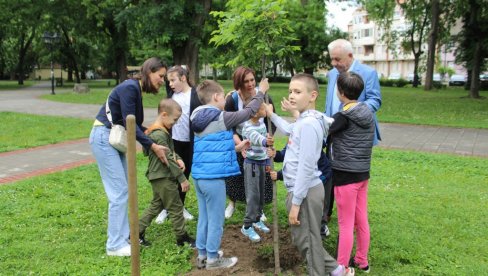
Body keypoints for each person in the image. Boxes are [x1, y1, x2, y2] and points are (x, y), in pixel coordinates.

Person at [265, 73, 353, 276]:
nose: (292, 96)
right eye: (290, 91)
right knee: (305, 239)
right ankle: (339, 271)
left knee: (307, 242)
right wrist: (272, 115)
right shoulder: (307, 120)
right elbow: (290, 129)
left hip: (304, 191)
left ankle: (327, 272)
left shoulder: (309, 125)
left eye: (297, 91)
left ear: (312, 95)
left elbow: (306, 167)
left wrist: (296, 203)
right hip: (303, 190)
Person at [89, 57, 169, 257]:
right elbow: (129, 123)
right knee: (119, 192)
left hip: (112, 139)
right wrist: (152, 146)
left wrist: (152, 133)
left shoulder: (135, 89)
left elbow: (132, 124)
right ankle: (114, 245)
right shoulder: (130, 88)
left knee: (124, 189)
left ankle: (124, 238)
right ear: (149, 71)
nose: (162, 81)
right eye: (160, 76)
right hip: (104, 137)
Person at [190, 79, 269, 270]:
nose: (225, 99)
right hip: (214, 179)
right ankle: (212, 260)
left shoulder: (196, 116)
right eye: (222, 95)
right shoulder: (221, 117)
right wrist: (261, 92)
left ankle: (202, 255)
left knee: (205, 217)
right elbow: (250, 112)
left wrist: (237, 147)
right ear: (216, 97)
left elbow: (212, 147)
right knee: (216, 219)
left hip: (200, 177)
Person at [324, 38, 382, 229]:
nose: (334, 64)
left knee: (350, 177)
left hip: (354, 137)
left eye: (337, 59)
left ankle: (351, 214)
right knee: (329, 172)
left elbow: (375, 99)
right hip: (333, 131)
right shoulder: (333, 74)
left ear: (350, 56)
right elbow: (329, 102)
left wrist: (354, 112)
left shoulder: (368, 73)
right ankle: (326, 213)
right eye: (332, 59)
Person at [328, 72, 374, 273]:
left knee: (345, 224)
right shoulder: (367, 111)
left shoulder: (343, 116)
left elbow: (325, 131)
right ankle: (362, 261)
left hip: (345, 176)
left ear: (341, 92)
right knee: (361, 219)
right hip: (363, 174)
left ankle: (342, 266)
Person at [137, 98, 195, 248]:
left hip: (157, 176)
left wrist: (179, 158)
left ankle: (135, 233)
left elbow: (169, 152)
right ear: (164, 115)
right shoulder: (159, 134)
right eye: (174, 120)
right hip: (163, 177)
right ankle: (182, 239)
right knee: (176, 207)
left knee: (156, 205)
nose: (174, 123)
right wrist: (182, 179)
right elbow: (167, 158)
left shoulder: (155, 132)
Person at [224, 66, 275, 220]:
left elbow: (272, 121)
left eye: (252, 80)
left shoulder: (264, 96)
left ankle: (259, 207)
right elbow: (228, 126)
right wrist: (240, 144)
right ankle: (232, 203)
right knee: (235, 172)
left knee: (260, 173)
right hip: (239, 137)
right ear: (239, 83)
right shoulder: (232, 99)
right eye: (246, 81)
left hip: (260, 139)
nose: (250, 84)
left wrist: (267, 137)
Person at [154, 65, 202, 224]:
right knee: (169, 175)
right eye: (169, 81)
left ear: (183, 78)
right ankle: (164, 208)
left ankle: (180, 206)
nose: (170, 84)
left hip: (189, 143)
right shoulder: (171, 95)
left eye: (173, 80)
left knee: (183, 174)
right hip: (172, 142)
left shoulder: (195, 95)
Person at [240, 103, 273, 242]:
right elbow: (256, 138)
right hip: (252, 164)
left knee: (260, 194)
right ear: (253, 113)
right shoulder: (247, 126)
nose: (265, 109)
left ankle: (257, 219)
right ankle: (247, 226)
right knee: (253, 195)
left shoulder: (262, 124)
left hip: (261, 162)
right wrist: (266, 141)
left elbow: (264, 141)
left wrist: (267, 161)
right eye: (262, 108)